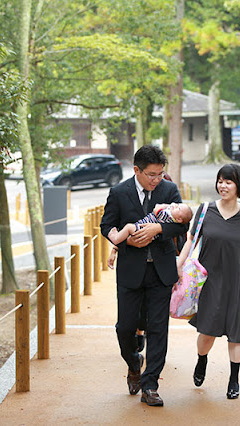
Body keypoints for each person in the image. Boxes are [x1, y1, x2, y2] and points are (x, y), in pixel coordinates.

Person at [100, 145, 188, 407]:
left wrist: (158, 229)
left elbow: (182, 223)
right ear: (136, 170)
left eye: (161, 174)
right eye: (151, 174)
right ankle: (133, 362)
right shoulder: (118, 192)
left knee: (158, 329)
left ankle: (150, 385)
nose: (156, 179)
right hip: (130, 271)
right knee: (125, 327)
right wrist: (126, 241)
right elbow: (107, 224)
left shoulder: (169, 191)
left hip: (161, 271)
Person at [177, 164, 240, 400]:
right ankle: (201, 361)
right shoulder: (205, 210)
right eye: (220, 181)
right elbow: (190, 240)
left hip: (236, 284)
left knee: (237, 333)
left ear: (239, 185)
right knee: (207, 331)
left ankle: (234, 379)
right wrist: (179, 264)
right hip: (208, 282)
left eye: (228, 181)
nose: (223, 185)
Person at [107, 203, 193, 246]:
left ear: (179, 219)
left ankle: (116, 239)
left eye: (178, 208)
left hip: (142, 228)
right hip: (147, 235)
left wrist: (164, 205)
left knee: (129, 227)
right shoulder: (172, 219)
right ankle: (119, 243)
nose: (175, 206)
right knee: (130, 235)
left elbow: (156, 209)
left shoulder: (167, 216)